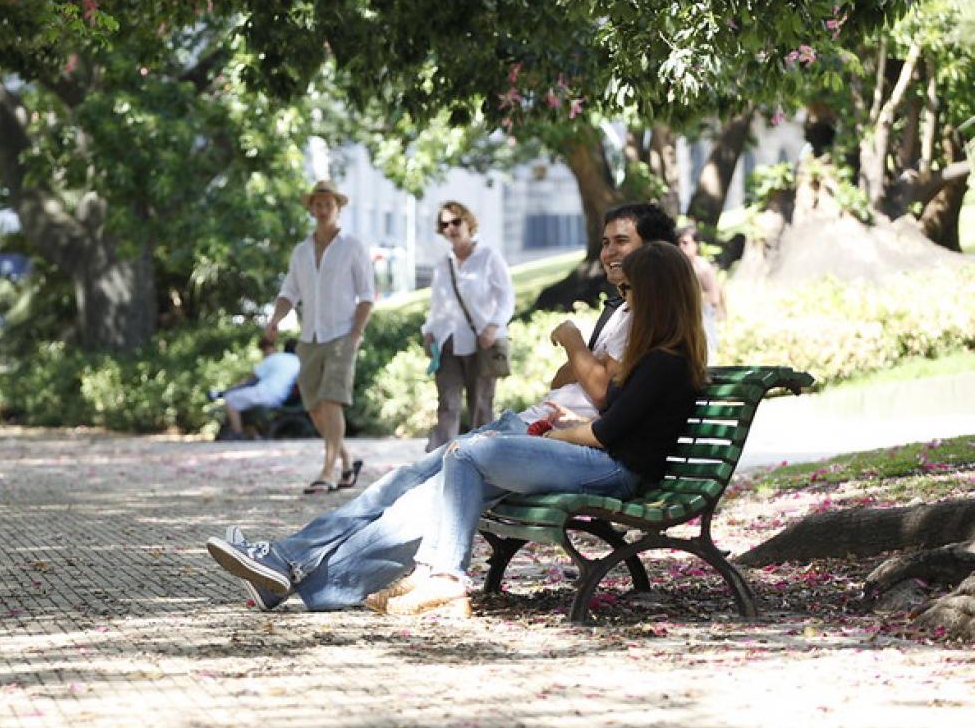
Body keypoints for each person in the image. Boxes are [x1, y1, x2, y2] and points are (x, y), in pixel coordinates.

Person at [206, 202, 679, 611]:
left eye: (622, 241)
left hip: (569, 445)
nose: (609, 252)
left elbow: (603, 395)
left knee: (423, 500)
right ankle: (290, 567)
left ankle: (299, 570)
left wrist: (575, 342)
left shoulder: (658, 317)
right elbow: (570, 379)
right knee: (401, 484)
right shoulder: (620, 310)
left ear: (655, 251)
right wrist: (585, 359)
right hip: (539, 423)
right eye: (605, 242)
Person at [372, 240, 707, 616]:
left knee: (465, 453)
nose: (624, 299)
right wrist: (574, 423)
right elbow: (623, 420)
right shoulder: (654, 355)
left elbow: (607, 435)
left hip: (615, 470)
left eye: (629, 289)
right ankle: (432, 574)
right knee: (470, 458)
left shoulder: (664, 361)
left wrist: (555, 435)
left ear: (655, 293)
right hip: (606, 460)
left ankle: (446, 580)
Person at [264, 180, 375, 494]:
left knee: (331, 400)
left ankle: (327, 471)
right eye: (318, 203)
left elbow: (367, 295)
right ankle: (347, 461)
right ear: (311, 208)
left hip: (342, 334)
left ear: (338, 207)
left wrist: (356, 334)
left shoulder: (352, 247)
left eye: (329, 203)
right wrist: (274, 320)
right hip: (309, 336)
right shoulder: (301, 251)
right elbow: (289, 292)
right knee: (313, 406)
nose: (323, 209)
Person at [422, 201, 515, 451]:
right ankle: (438, 462)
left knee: (481, 405)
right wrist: (429, 331)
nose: (451, 228)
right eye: (445, 224)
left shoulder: (488, 256)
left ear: (468, 222)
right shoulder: (444, 264)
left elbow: (507, 297)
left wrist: (494, 326)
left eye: (456, 222)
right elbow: (437, 305)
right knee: (447, 405)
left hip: (481, 342)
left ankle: (483, 458)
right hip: (448, 342)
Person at [211, 337, 302, 440]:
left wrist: (232, 388)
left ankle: (238, 434)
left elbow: (251, 379)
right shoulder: (298, 362)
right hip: (282, 397)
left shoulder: (275, 358)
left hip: (266, 393)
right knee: (244, 399)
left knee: (230, 399)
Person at [677, 224, 726, 358]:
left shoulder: (702, 266)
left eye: (685, 243)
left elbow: (714, 297)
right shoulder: (680, 266)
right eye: (679, 243)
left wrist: (690, 297)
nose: (681, 246)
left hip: (702, 321)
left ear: (696, 244)